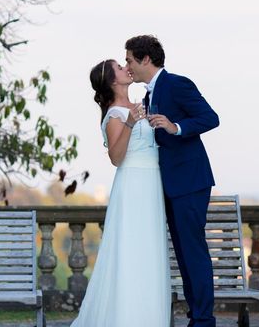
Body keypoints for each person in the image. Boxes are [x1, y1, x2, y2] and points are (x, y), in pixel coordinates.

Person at [125, 35, 219, 327]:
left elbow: (210, 117)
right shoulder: (148, 95)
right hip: (169, 186)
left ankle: (204, 320)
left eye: (129, 60)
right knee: (183, 255)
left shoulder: (177, 83)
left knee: (193, 253)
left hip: (189, 183)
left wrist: (175, 126)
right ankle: (197, 316)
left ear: (145, 59)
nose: (127, 66)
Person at [72, 59, 171, 326]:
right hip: (132, 186)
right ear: (112, 80)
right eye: (118, 66)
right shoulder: (115, 114)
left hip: (152, 183)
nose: (125, 67)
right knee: (130, 250)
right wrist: (129, 123)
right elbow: (116, 157)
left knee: (150, 253)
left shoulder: (142, 104)